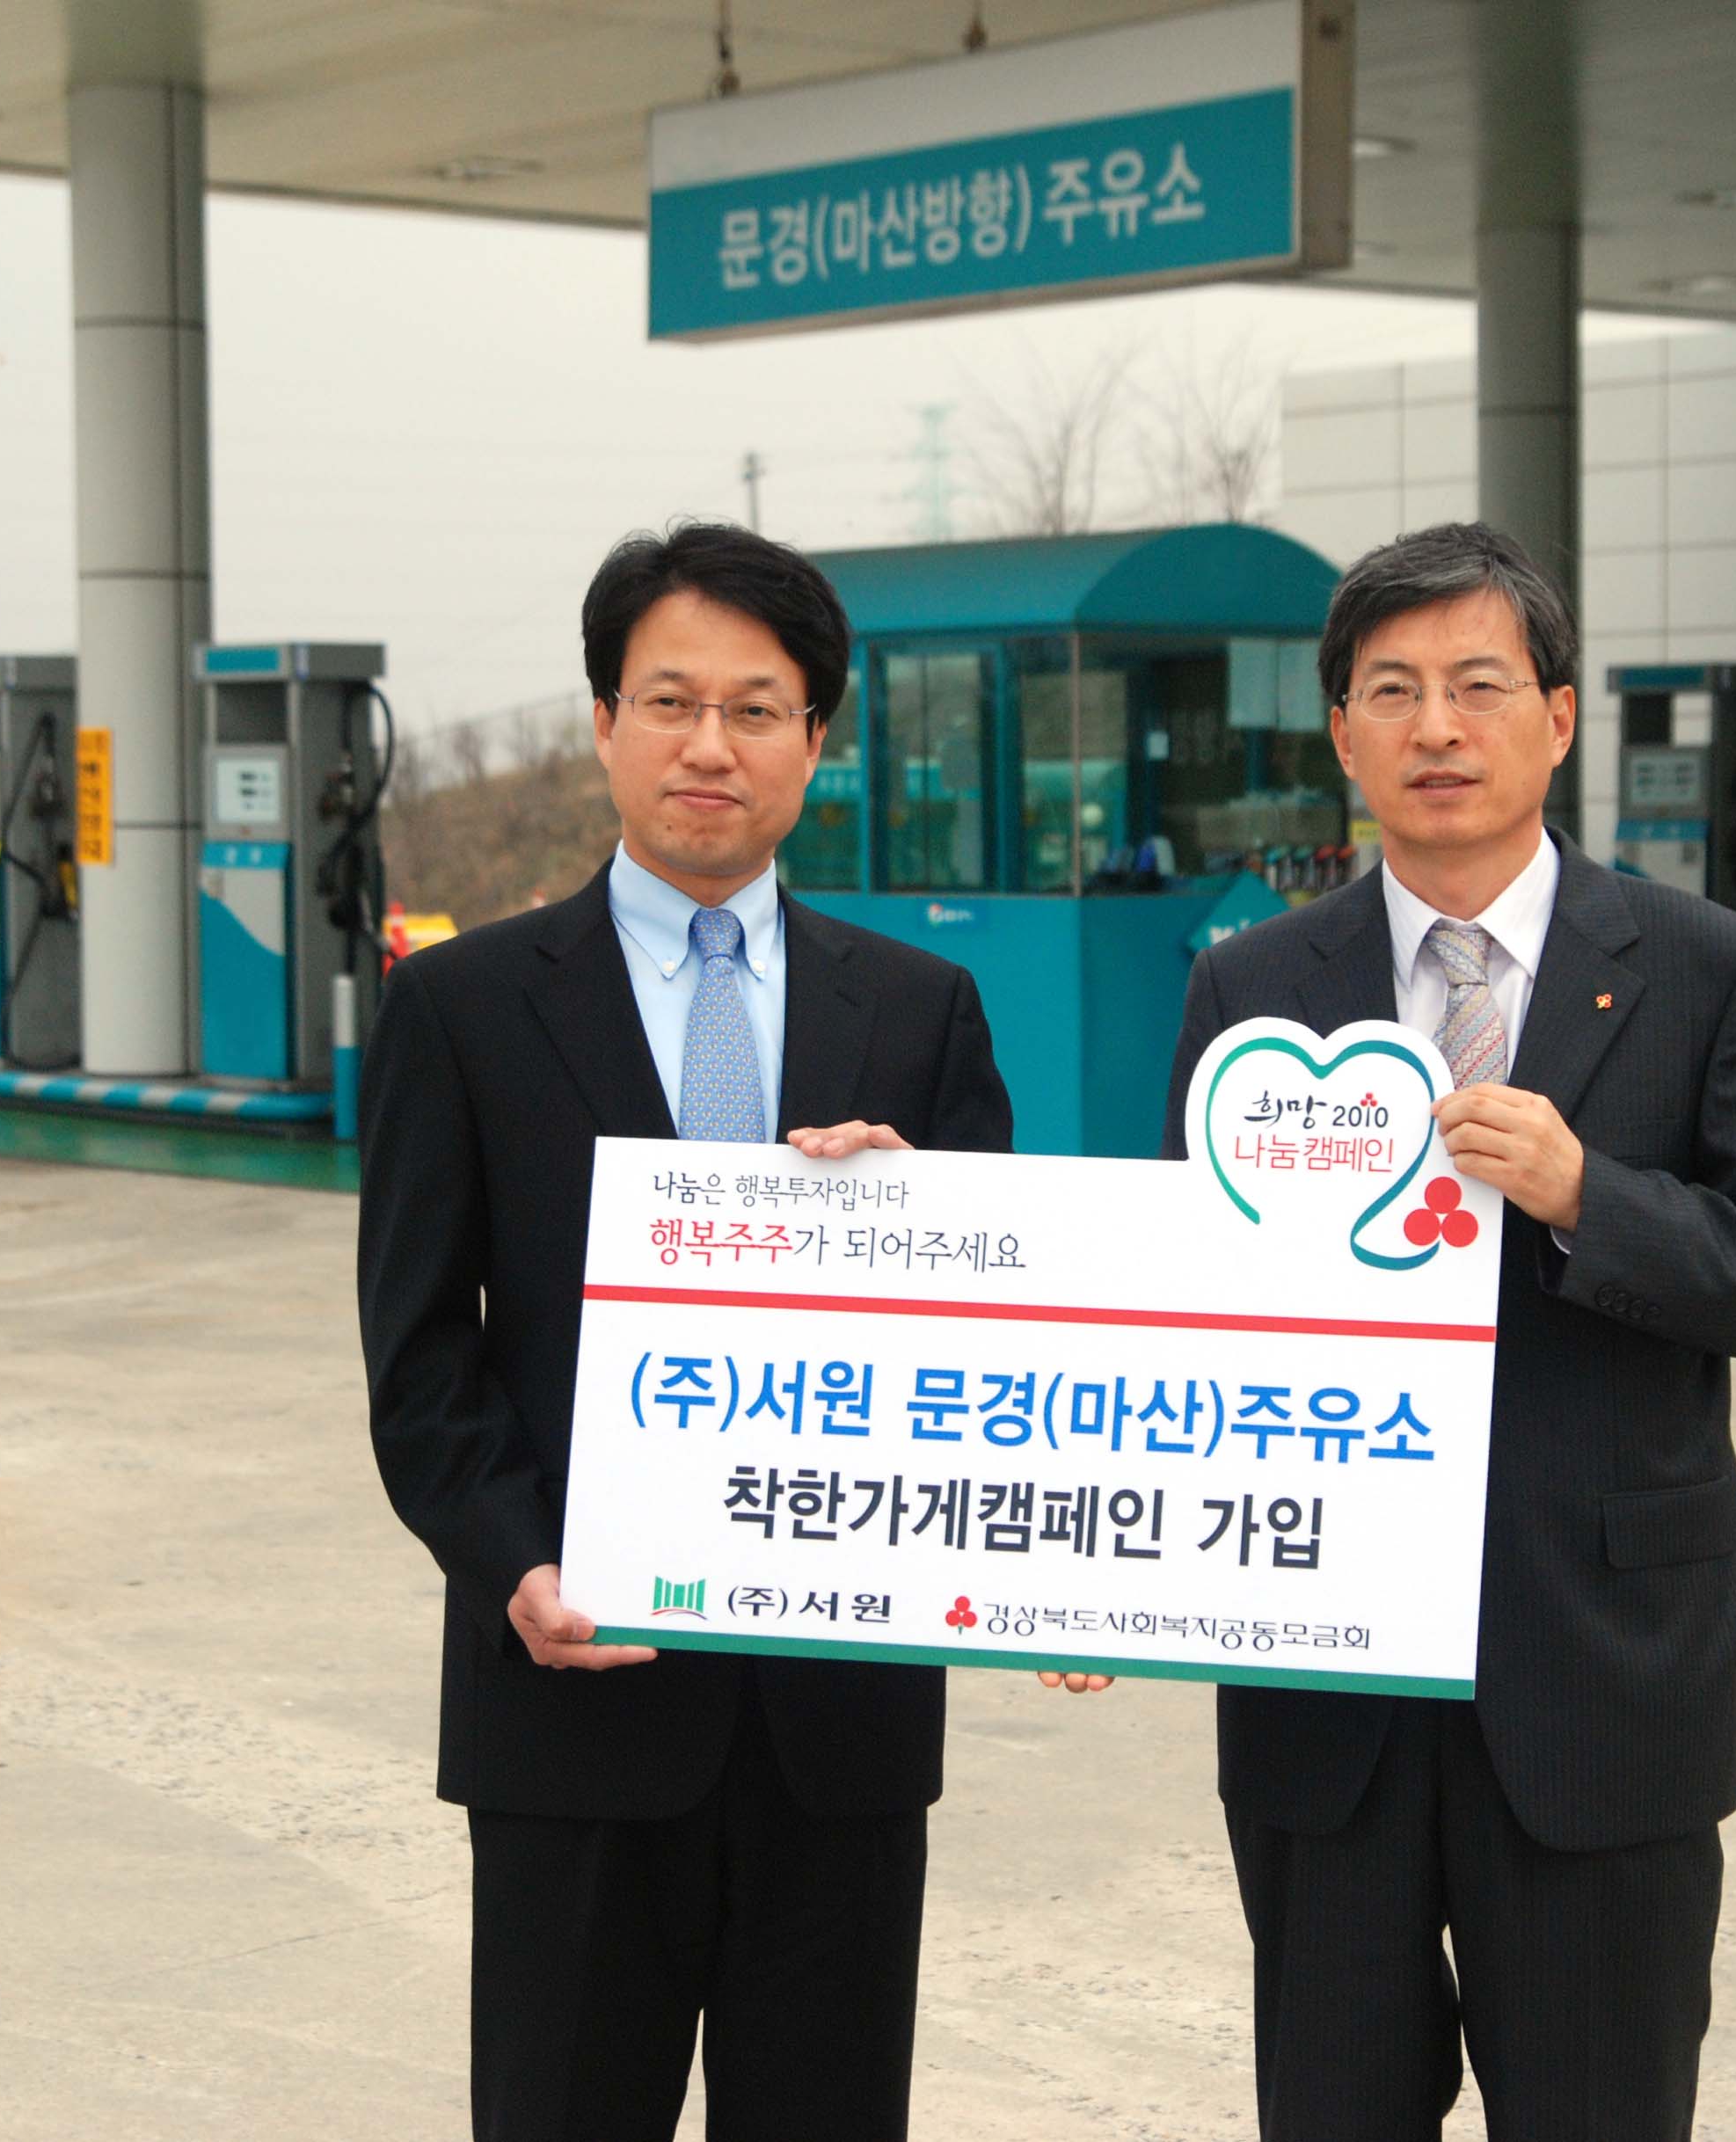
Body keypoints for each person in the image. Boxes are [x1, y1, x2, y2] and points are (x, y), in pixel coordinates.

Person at [1145, 521, 1736, 2141]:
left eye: (1478, 685)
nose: (1437, 728)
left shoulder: (1711, 970)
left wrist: (1589, 1194)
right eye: (1391, 690)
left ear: (1556, 716)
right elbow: (1184, 1299)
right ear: (1341, 733)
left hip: (1602, 1679)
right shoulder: (1251, 987)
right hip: (1326, 1694)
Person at [355, 521, 1013, 2142]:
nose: (709, 746)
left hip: (839, 1727)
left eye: (756, 708)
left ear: (815, 740)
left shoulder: (917, 1013)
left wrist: (921, 1216)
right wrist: (513, 1564)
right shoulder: (464, 1008)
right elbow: (423, 1355)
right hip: (573, 1702)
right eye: (670, 702)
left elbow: (998, 1346)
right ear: (603, 722)